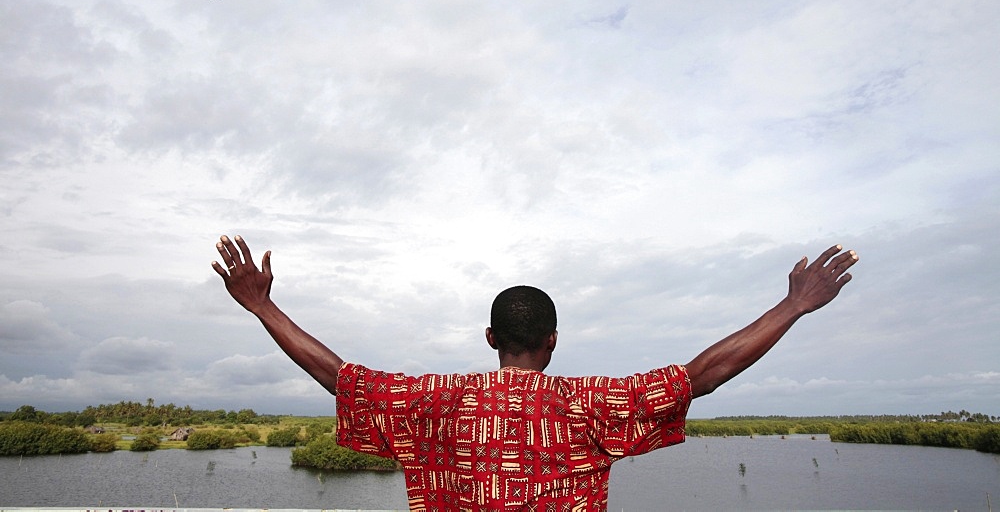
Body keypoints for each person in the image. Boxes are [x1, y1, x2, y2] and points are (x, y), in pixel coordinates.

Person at [212, 234, 858, 511]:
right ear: (552, 343)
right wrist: (795, 305)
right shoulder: (590, 405)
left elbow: (339, 377)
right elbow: (704, 375)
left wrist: (263, 306)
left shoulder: (435, 403)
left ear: (491, 338)